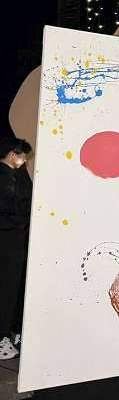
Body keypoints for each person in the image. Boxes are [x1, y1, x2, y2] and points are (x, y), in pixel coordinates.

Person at [0, 137, 33, 359]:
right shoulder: (7, 178)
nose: (24, 161)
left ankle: (9, 332)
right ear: (13, 154)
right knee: (8, 287)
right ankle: (3, 337)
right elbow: (14, 208)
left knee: (12, 287)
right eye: (22, 156)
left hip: (12, 238)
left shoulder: (13, 176)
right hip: (9, 239)